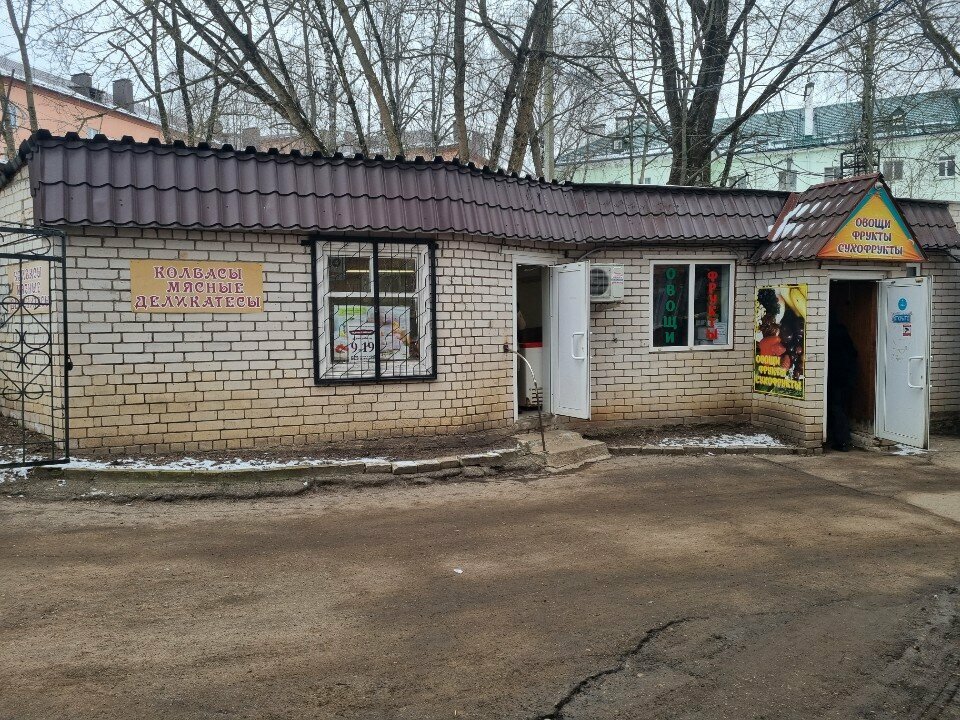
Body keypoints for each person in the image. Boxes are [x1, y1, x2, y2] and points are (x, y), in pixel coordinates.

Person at [827, 319, 858, 451]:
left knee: (836, 409)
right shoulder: (846, 341)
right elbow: (854, 355)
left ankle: (842, 441)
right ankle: (841, 439)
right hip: (847, 379)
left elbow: (832, 361)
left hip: (837, 379)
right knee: (840, 408)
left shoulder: (833, 340)